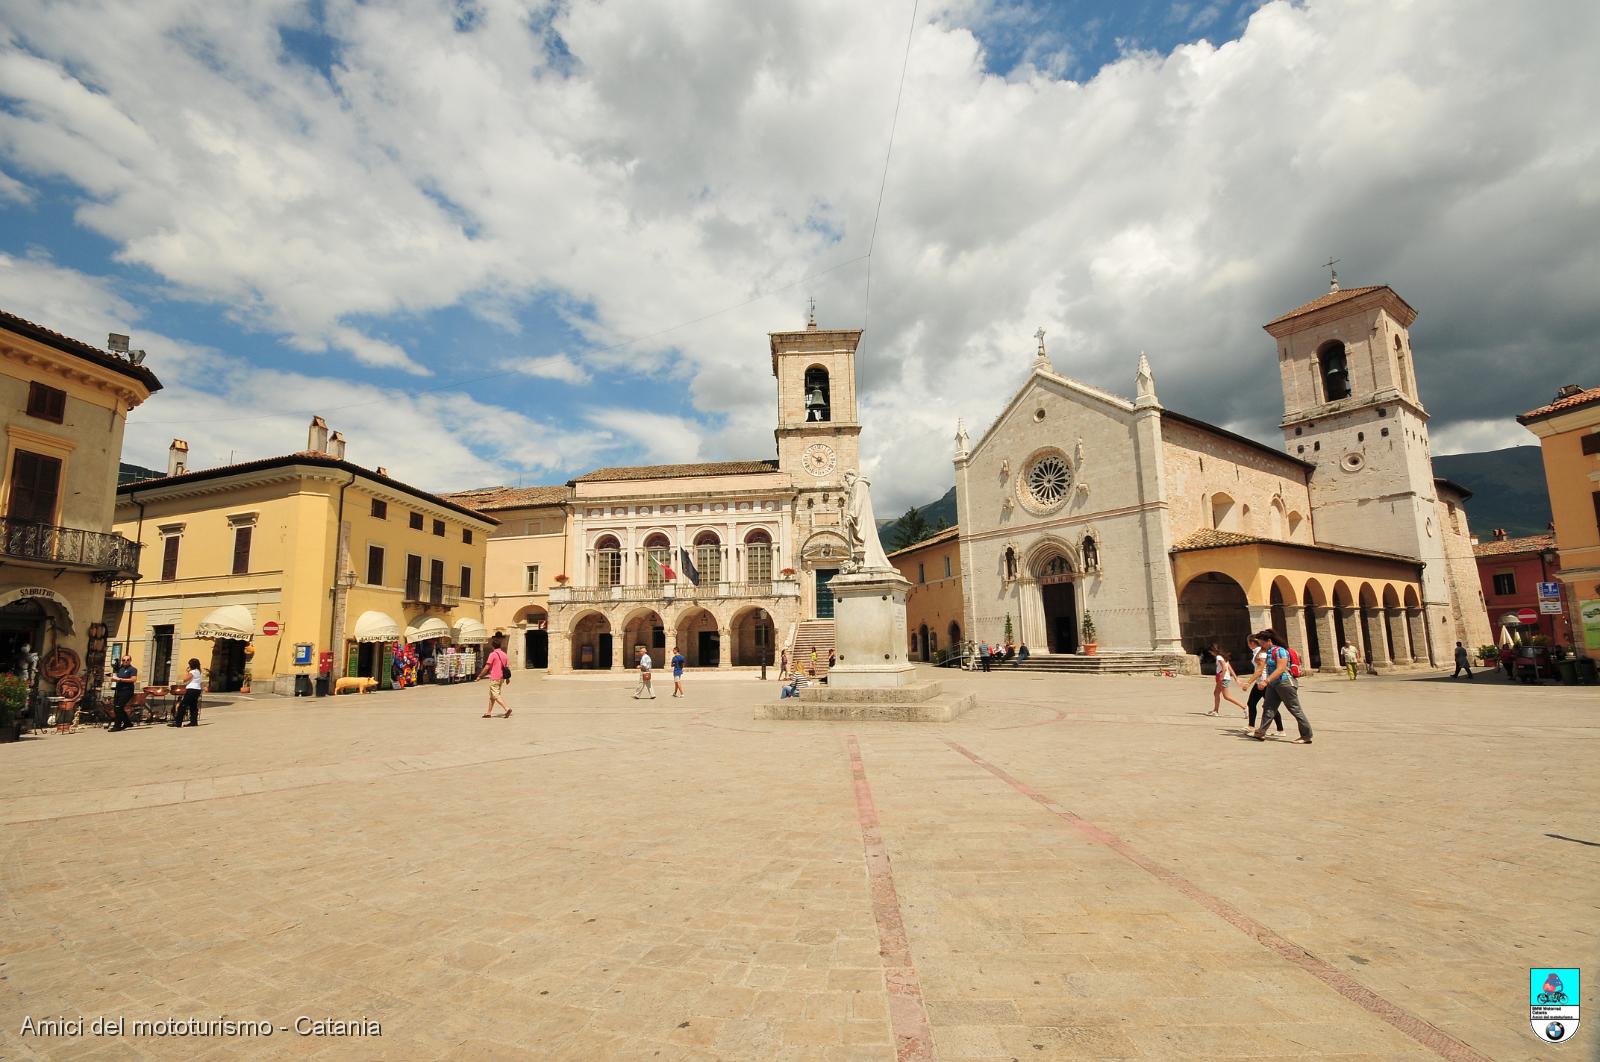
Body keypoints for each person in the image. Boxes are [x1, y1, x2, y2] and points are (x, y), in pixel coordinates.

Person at [1250, 630, 1313, 745]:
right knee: (1268, 707)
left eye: (1262, 643)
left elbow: (1280, 668)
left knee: (1294, 708)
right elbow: (1260, 662)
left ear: (1269, 641)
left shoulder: (1280, 651)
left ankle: (1306, 735)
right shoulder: (1269, 651)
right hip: (1273, 684)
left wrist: (1266, 681)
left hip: (1284, 683)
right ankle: (1261, 732)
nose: (1261, 646)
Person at [1244, 636, 1280, 733]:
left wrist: (1248, 683)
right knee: (1256, 704)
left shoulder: (1260, 653)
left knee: (1268, 706)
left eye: (1248, 642)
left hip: (1263, 682)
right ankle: (1251, 726)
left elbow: (1259, 670)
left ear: (1252, 643)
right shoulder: (1258, 652)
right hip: (1260, 682)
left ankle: (1279, 729)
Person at [478, 636, 512, 717]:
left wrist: (480, 676)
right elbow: (506, 667)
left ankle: (507, 708)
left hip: (494, 677)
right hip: (501, 678)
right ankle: (488, 712)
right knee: (492, 695)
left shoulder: (492, 654)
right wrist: (507, 678)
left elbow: (487, 667)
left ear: (492, 646)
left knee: (496, 695)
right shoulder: (504, 654)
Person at [1208, 651, 1248, 716]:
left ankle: (1244, 707)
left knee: (1226, 696)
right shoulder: (1224, 657)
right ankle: (1215, 711)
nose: (1210, 653)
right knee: (1216, 693)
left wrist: (1222, 677)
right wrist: (1236, 679)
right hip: (1223, 677)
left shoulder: (1219, 657)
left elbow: (1224, 667)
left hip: (1222, 678)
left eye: (1210, 651)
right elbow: (1230, 668)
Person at [170, 658, 203, 727]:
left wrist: (188, 672)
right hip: (197, 689)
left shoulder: (192, 672)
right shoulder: (199, 671)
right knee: (193, 706)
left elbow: (185, 680)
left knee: (182, 706)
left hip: (191, 689)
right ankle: (194, 722)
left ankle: (178, 722)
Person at [109, 655, 138, 731]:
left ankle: (117, 726)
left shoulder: (132, 669)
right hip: (118, 690)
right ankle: (127, 723)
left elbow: (133, 679)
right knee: (117, 708)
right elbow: (115, 677)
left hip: (127, 691)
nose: (125, 661)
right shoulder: (120, 669)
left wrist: (120, 679)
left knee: (119, 707)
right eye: (124, 660)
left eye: (127, 660)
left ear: (130, 661)